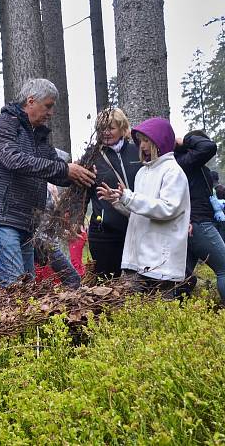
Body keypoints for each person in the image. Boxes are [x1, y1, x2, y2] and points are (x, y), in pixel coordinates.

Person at [0, 78, 95, 286]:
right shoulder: (2, 125)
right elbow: (14, 160)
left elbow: (54, 170)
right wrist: (65, 169)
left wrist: (78, 173)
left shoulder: (37, 136)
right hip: (0, 217)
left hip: (26, 221)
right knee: (15, 286)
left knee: (27, 286)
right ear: (31, 101)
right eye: (48, 106)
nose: (51, 113)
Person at [98, 117, 190, 297]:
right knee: (133, 311)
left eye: (147, 140)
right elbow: (138, 213)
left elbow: (167, 209)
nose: (142, 145)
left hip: (161, 259)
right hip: (137, 257)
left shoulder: (173, 172)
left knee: (162, 312)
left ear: (160, 141)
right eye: (140, 140)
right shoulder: (142, 172)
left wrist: (129, 197)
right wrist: (118, 201)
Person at [85, 108, 142, 280]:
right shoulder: (91, 156)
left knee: (140, 283)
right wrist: (77, 218)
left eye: (110, 128)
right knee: (108, 284)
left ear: (123, 128)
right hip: (105, 232)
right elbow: (83, 192)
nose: (105, 132)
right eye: (101, 128)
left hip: (137, 227)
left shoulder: (137, 151)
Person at [175, 131, 225, 302]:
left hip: (193, 223)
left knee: (183, 276)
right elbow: (208, 147)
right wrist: (185, 140)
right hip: (198, 223)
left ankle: (175, 315)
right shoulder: (185, 162)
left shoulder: (193, 165)